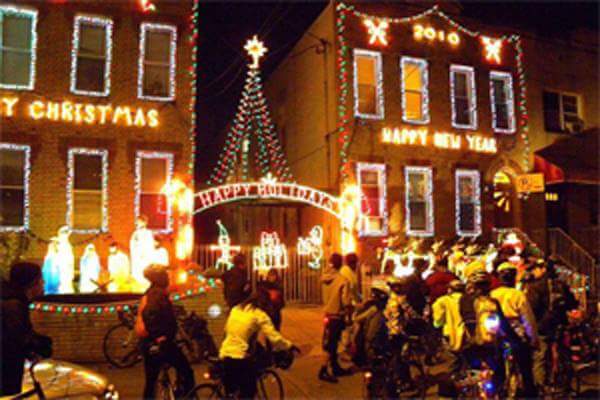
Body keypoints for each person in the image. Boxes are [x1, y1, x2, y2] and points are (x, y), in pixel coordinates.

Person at [219, 288, 297, 398]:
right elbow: (274, 337)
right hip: (240, 357)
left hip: (225, 353)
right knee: (248, 392)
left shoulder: (236, 309)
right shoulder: (259, 315)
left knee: (231, 392)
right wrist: (289, 345)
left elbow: (227, 330)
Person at [136, 265, 195, 399]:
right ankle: (186, 396)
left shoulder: (150, 293)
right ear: (160, 278)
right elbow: (151, 315)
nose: (168, 278)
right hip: (162, 344)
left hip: (148, 344)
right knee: (186, 371)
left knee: (151, 381)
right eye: (166, 276)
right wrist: (159, 336)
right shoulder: (157, 295)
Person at [523, 257, 578, 389]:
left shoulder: (535, 287)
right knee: (564, 350)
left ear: (542, 269)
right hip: (560, 323)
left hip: (543, 325)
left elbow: (532, 308)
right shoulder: (561, 284)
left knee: (540, 356)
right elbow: (572, 303)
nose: (534, 272)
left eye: (535, 269)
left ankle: (540, 386)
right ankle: (566, 382)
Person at [1, 262, 52, 396]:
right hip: (6, 367)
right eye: (41, 280)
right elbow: (17, 337)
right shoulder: (13, 305)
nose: (44, 284)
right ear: (32, 283)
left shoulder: (13, 301)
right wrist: (39, 346)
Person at [491, 262, 538, 398]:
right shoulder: (518, 295)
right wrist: (533, 340)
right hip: (517, 336)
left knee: (498, 368)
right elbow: (528, 320)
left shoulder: (492, 294)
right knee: (526, 370)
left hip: (497, 335)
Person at [319, 253, 352, 383]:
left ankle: (335, 367)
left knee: (330, 342)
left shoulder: (324, 278)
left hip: (327, 314)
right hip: (337, 316)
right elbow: (345, 301)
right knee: (331, 345)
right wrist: (348, 311)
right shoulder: (343, 280)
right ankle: (323, 370)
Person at [351, 280, 389, 368]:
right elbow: (358, 317)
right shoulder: (375, 307)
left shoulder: (377, 308)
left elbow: (358, 318)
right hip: (370, 338)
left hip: (373, 337)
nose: (373, 296)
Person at [432, 280, 465, 375]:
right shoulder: (469, 299)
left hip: (449, 334)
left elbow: (438, 320)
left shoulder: (442, 301)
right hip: (467, 333)